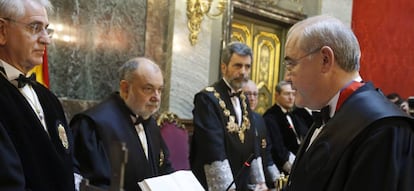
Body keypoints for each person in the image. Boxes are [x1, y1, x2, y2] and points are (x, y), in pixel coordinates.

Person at [284, 15, 414, 191]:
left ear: (325, 60)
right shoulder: (330, 113)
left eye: (291, 64)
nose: (287, 77)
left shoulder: (384, 128)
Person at [0, 0, 75, 190]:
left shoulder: (48, 98)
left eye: (46, 29)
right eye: (35, 28)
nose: (46, 39)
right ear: (2, 31)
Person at [71, 57, 174, 191]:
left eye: (160, 90)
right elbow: (95, 184)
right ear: (125, 89)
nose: (157, 97)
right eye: (148, 89)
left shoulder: (150, 123)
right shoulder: (93, 125)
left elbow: (163, 168)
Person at [190, 42, 267, 191]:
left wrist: (259, 181)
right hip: (217, 182)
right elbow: (212, 146)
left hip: (242, 180)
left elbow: (252, 139)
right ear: (224, 67)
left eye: (247, 66)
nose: (243, 72)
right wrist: (227, 187)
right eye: (238, 66)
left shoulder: (243, 98)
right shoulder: (207, 98)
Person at [262, 81, 309, 175]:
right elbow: (278, 149)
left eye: (293, 94)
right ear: (276, 96)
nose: (291, 98)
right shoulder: (270, 117)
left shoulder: (294, 115)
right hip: (282, 168)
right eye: (287, 94)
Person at [243, 79, 280, 190]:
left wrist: (276, 178)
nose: (252, 98)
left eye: (255, 94)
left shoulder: (259, 119)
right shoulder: (235, 120)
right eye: (248, 94)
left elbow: (266, 151)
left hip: (262, 179)